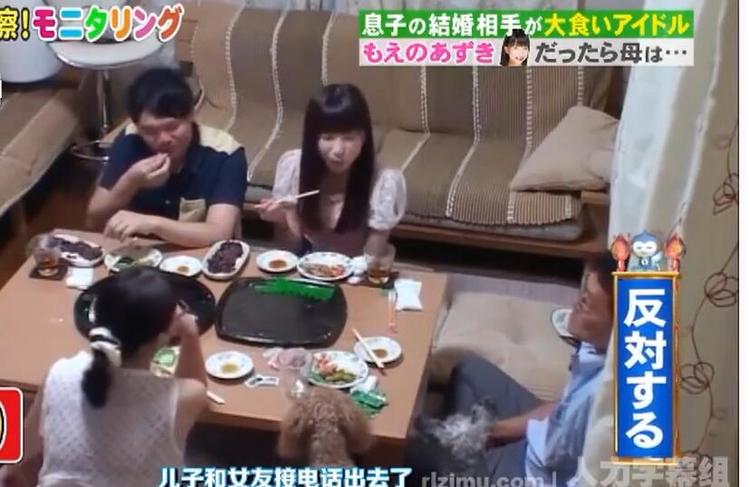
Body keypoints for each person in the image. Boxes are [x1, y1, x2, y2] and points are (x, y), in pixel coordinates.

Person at [409, 254, 617, 486]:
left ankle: (457, 462)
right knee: (469, 370)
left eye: (587, 304)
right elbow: (563, 406)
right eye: (582, 295)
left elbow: (555, 456)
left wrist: (489, 439)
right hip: (546, 438)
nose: (574, 305)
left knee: (415, 458)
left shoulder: (602, 398)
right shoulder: (601, 349)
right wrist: (497, 430)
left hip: (533, 474)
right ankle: (460, 448)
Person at [0, 268, 207, 487]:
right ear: (164, 335)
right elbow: (196, 385)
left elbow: (22, 444)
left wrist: (6, 471)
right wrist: (190, 333)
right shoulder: (180, 398)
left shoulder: (59, 374)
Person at [86, 67, 247, 248]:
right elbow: (94, 218)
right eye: (150, 131)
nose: (163, 139)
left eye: (172, 127)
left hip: (201, 254)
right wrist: (130, 182)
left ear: (191, 115)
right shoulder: (131, 140)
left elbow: (219, 234)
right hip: (140, 252)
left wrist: (153, 224)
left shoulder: (225, 153)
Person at [253, 84, 407, 257]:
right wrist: (282, 222)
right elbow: (291, 251)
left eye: (349, 138)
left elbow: (372, 260)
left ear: (363, 137)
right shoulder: (295, 168)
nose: (338, 150)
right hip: (309, 264)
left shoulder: (384, 182)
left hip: (357, 268)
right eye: (328, 137)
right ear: (313, 138)